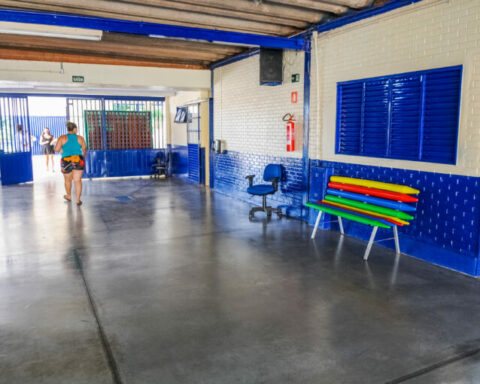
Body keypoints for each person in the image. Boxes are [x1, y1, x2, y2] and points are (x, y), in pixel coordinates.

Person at [54, 122, 87, 206]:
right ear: (75, 129)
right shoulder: (80, 138)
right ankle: (78, 200)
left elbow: (56, 149)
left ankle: (69, 196)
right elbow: (84, 150)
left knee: (67, 180)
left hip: (66, 160)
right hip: (78, 159)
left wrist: (62, 149)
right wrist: (81, 156)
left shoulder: (62, 137)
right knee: (77, 180)